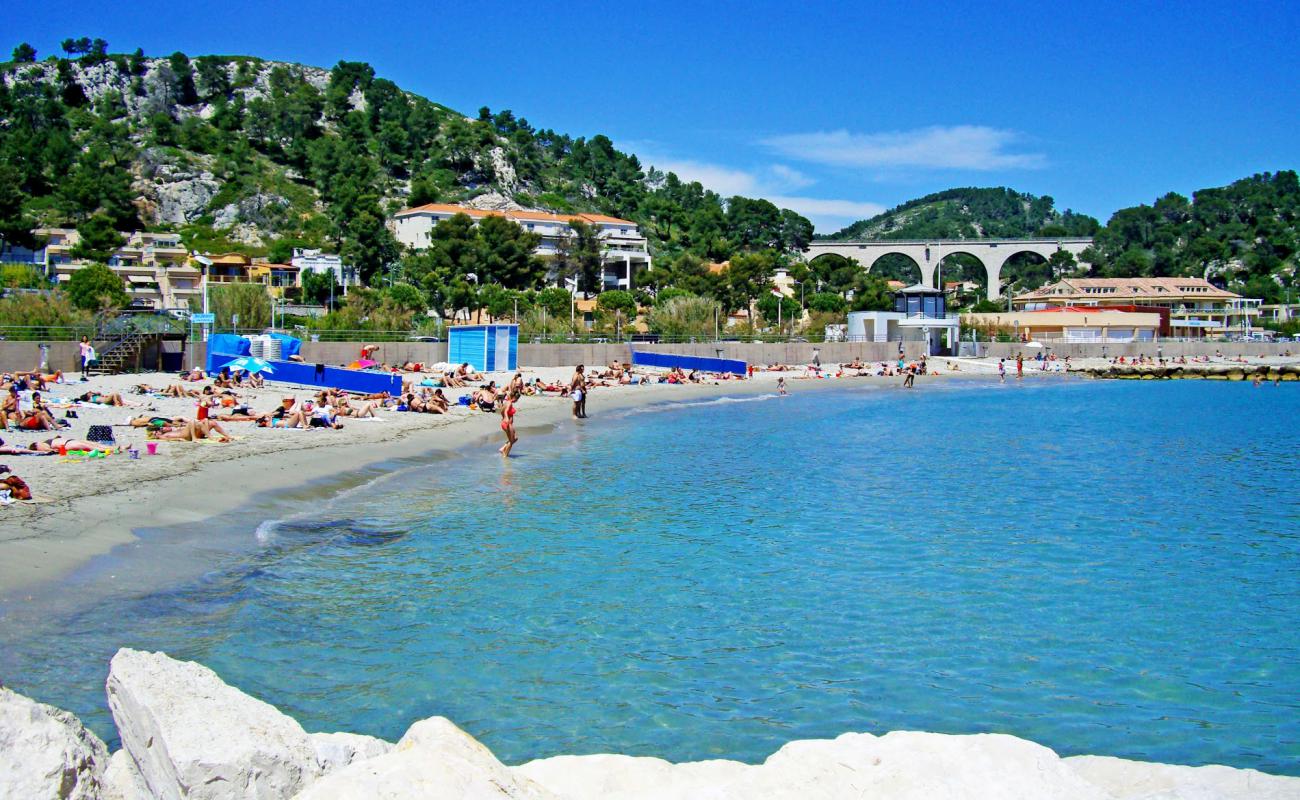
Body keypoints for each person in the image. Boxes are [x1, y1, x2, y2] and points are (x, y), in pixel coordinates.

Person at [498, 391, 518, 457]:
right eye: (517, 399)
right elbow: (506, 411)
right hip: (507, 423)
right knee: (511, 441)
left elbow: (502, 412)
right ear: (514, 397)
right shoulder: (509, 403)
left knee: (515, 438)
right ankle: (505, 455)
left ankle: (503, 449)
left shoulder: (506, 402)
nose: (517, 400)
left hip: (505, 423)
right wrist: (506, 418)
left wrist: (504, 418)